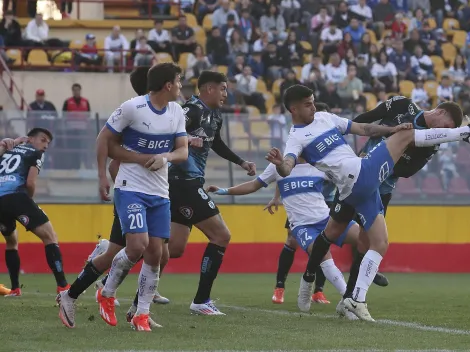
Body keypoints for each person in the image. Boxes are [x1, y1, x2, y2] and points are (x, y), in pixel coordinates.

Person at [266, 84, 469, 321]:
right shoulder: (295, 138)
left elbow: (363, 126)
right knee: (406, 135)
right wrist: (280, 163)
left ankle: (354, 299)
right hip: (361, 175)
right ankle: (463, 132)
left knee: (379, 242)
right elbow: (288, 166)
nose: (313, 106)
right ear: (294, 109)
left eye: (313, 101)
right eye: (308, 104)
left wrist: (391, 128)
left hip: (364, 185)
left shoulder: (324, 117)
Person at [56, 66, 172, 329]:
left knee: (145, 252)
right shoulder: (133, 112)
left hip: (152, 191)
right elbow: (107, 146)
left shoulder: (165, 114)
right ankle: (107, 294)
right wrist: (109, 178)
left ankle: (131, 309)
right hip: (131, 192)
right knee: (143, 248)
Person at [206, 160, 363, 319]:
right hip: (303, 226)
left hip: (327, 219)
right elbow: (254, 185)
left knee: (367, 239)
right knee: (323, 254)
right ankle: (349, 301)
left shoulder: (318, 162)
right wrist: (223, 191)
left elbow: (344, 178)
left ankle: (349, 294)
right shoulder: (278, 166)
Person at [268, 102, 388, 306]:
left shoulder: (329, 139)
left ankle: (326, 288)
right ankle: (282, 286)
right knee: (293, 241)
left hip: (330, 202)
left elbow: (342, 168)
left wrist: (359, 164)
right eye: (310, 107)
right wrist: (277, 196)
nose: (314, 113)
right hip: (303, 210)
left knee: (357, 236)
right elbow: (281, 174)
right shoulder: (300, 142)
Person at [167, 70, 256, 315]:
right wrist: (185, 139)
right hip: (182, 180)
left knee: (173, 248)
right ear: (208, 89)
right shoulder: (191, 109)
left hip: (189, 181)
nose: (226, 93)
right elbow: (168, 132)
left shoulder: (215, 114)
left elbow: (215, 142)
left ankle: (114, 259)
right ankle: (201, 300)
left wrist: (241, 162)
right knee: (221, 235)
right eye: (223, 89)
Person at [0, 129, 70, 296]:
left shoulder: (8, 149)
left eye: (48, 143)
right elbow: (31, 182)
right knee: (50, 237)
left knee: (11, 241)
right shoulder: (35, 153)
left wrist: (12, 142)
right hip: (17, 197)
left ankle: (15, 289)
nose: (45, 145)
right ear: (30, 139)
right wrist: (28, 201)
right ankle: (63, 287)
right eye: (43, 140)